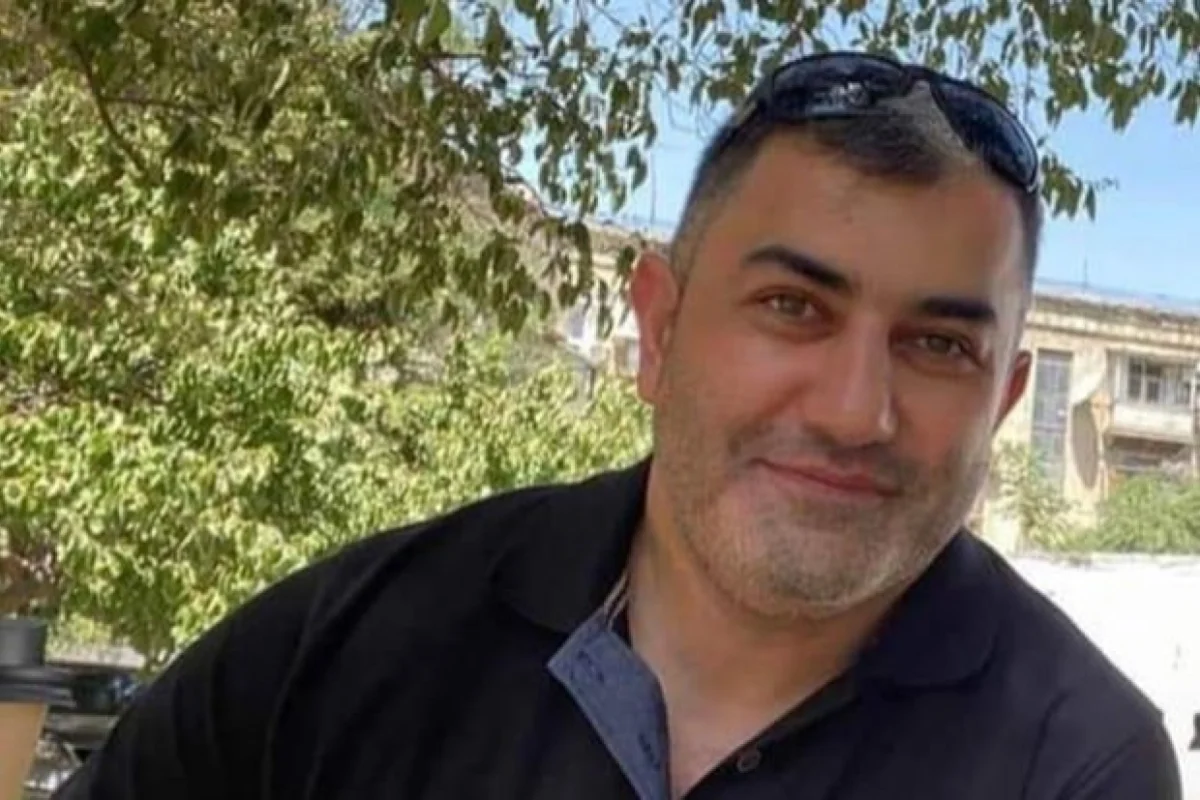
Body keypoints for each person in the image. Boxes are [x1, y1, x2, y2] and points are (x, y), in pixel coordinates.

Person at [57, 52, 1182, 800]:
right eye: (792, 307)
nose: (854, 411)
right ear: (659, 326)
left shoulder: (1076, 763)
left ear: (1005, 399)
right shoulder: (356, 648)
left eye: (938, 345)